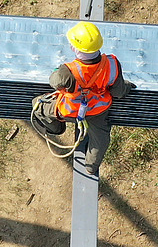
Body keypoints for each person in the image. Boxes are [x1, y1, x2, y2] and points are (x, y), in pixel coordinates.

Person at [28, 20, 130, 180]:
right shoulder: (112, 64)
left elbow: (53, 82)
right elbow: (118, 91)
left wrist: (59, 71)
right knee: (101, 139)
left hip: (70, 111)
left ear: (75, 48)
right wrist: (127, 87)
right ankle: (91, 166)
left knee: (37, 105)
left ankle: (56, 129)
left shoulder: (67, 71)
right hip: (98, 110)